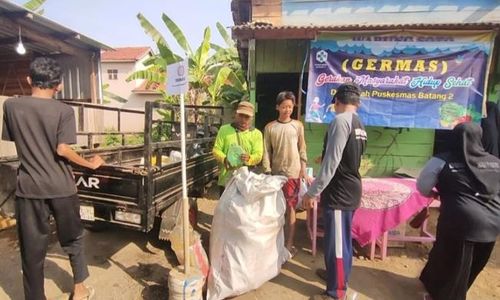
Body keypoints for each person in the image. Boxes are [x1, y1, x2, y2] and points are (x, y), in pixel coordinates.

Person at [2, 57, 104, 300]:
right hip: (62, 188)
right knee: (74, 239)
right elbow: (62, 150)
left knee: (31, 250)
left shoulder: (11, 106)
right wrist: (91, 163)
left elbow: (18, 140)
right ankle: (80, 290)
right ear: (58, 85)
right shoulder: (64, 111)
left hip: (29, 189)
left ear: (28, 80)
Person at [416, 122, 500, 300]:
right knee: (472, 266)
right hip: (493, 223)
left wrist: (441, 193)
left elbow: (423, 187)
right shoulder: (495, 163)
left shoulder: (442, 160)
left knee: (449, 263)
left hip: (459, 221)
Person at [302, 83, 367, 300]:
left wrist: (311, 192)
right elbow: (349, 157)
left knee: (337, 245)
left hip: (339, 192)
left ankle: (336, 292)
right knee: (341, 240)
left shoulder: (340, 121)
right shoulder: (359, 124)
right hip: (350, 188)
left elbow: (331, 164)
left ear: (338, 102)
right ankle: (334, 276)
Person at [262, 91, 310, 257]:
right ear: (277, 107)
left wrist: (303, 169)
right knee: (276, 209)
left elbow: (302, 149)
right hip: (276, 174)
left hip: (293, 174)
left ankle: (289, 244)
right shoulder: (270, 128)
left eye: (290, 106)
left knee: (290, 208)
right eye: (284, 107)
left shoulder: (298, 126)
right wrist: (267, 170)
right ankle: (276, 243)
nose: (287, 109)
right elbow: (266, 151)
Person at [212, 101, 263, 196]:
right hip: (226, 179)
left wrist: (249, 158)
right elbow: (216, 150)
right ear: (235, 114)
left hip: (246, 181)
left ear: (252, 118)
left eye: (247, 117)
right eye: (240, 115)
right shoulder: (224, 130)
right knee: (225, 209)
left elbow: (258, 155)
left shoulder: (256, 134)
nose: (243, 119)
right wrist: (225, 159)